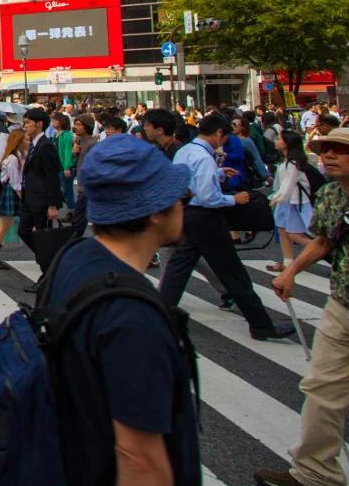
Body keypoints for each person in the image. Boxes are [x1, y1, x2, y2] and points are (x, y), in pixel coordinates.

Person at [44, 135, 200, 485]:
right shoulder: (133, 315)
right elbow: (139, 457)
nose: (183, 205)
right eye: (181, 197)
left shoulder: (73, 257)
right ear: (158, 210)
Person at [257, 127, 349, 486]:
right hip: (342, 306)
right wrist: (292, 272)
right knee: (321, 391)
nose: (328, 155)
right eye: (324, 149)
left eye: (340, 150)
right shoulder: (331, 195)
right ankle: (315, 473)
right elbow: (323, 240)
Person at [157, 113, 295, 341]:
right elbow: (208, 197)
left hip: (187, 214)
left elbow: (188, 181)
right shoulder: (203, 157)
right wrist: (235, 199)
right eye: (226, 136)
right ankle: (261, 325)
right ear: (219, 133)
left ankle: (157, 316)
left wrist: (218, 173)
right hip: (206, 218)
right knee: (233, 273)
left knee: (177, 271)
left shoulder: (185, 151)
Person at [18, 108, 63, 286]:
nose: (25, 126)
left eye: (28, 123)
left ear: (39, 124)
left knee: (42, 237)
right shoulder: (35, 144)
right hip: (30, 197)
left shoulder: (45, 146)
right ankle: (48, 261)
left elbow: (52, 176)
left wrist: (52, 205)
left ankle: (48, 272)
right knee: (23, 231)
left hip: (41, 200)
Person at [267, 130, 317, 274]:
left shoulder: (293, 163)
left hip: (296, 202)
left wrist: (274, 199)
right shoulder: (285, 161)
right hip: (287, 201)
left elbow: (287, 187)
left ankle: (325, 252)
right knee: (283, 231)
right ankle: (287, 262)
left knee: (294, 235)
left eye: (279, 139)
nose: (276, 141)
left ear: (287, 143)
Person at [0, 128, 26, 271]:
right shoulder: (13, 159)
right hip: (11, 191)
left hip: (10, 191)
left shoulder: (17, 156)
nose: (28, 141)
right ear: (18, 142)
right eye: (25, 139)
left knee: (5, 225)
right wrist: (23, 198)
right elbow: (15, 183)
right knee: (3, 225)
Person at [53, 112, 76, 211]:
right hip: (58, 167)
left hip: (65, 167)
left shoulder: (66, 135)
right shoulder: (56, 134)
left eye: (55, 120)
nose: (52, 122)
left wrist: (66, 167)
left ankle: (74, 211)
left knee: (67, 190)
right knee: (62, 189)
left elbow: (67, 152)